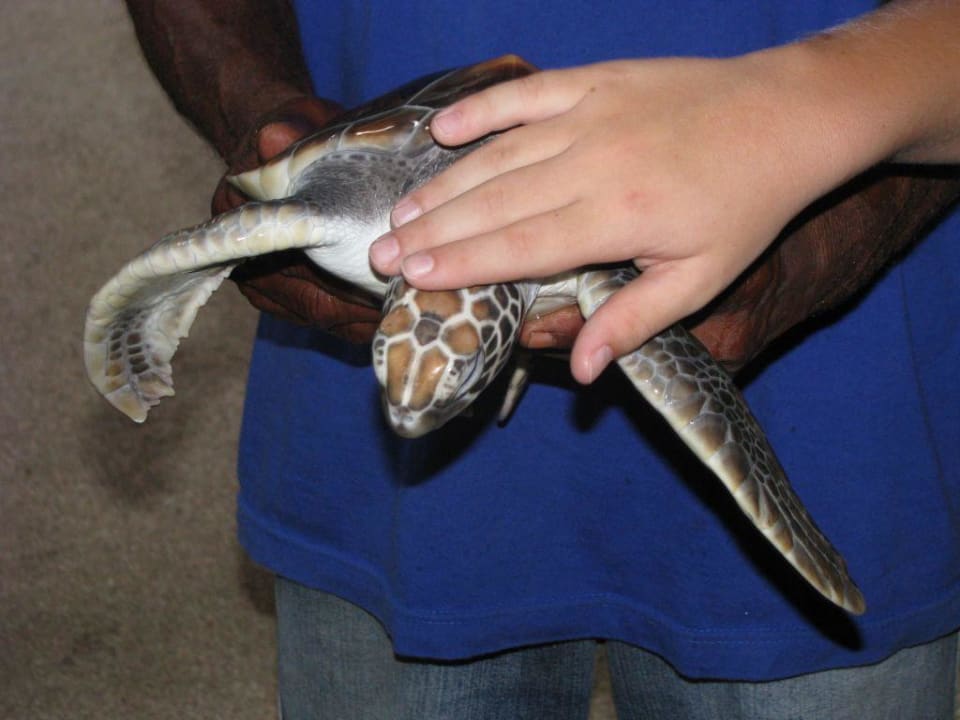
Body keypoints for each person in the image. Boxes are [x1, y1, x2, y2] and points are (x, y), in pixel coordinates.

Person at [125, 1, 960, 718]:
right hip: (376, 488)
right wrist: (264, 125)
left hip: (847, 379)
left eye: (437, 376)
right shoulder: (393, 376)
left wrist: (843, 228)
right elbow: (246, 204)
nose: (409, 409)